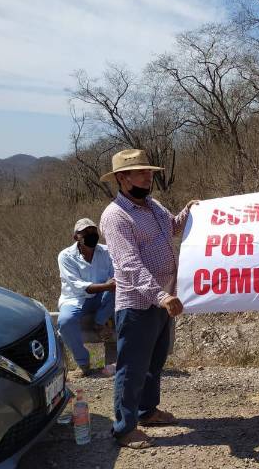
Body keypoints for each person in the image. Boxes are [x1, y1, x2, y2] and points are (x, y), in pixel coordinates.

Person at [99, 149, 199, 449]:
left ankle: (147, 411)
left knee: (155, 362)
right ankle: (124, 428)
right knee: (131, 368)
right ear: (122, 178)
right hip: (139, 304)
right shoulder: (115, 216)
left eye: (149, 172)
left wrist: (189, 211)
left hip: (163, 301)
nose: (148, 176)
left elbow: (173, 227)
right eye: (141, 172)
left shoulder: (153, 206)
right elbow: (129, 265)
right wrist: (161, 295)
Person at [57, 218, 115, 377]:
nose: (91, 235)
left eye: (93, 231)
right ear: (76, 237)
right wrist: (107, 286)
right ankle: (84, 363)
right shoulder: (65, 256)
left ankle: (99, 323)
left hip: (103, 298)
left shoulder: (107, 252)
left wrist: (111, 285)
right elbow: (78, 285)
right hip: (75, 299)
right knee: (65, 322)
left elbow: (115, 279)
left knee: (121, 291)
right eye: (86, 232)